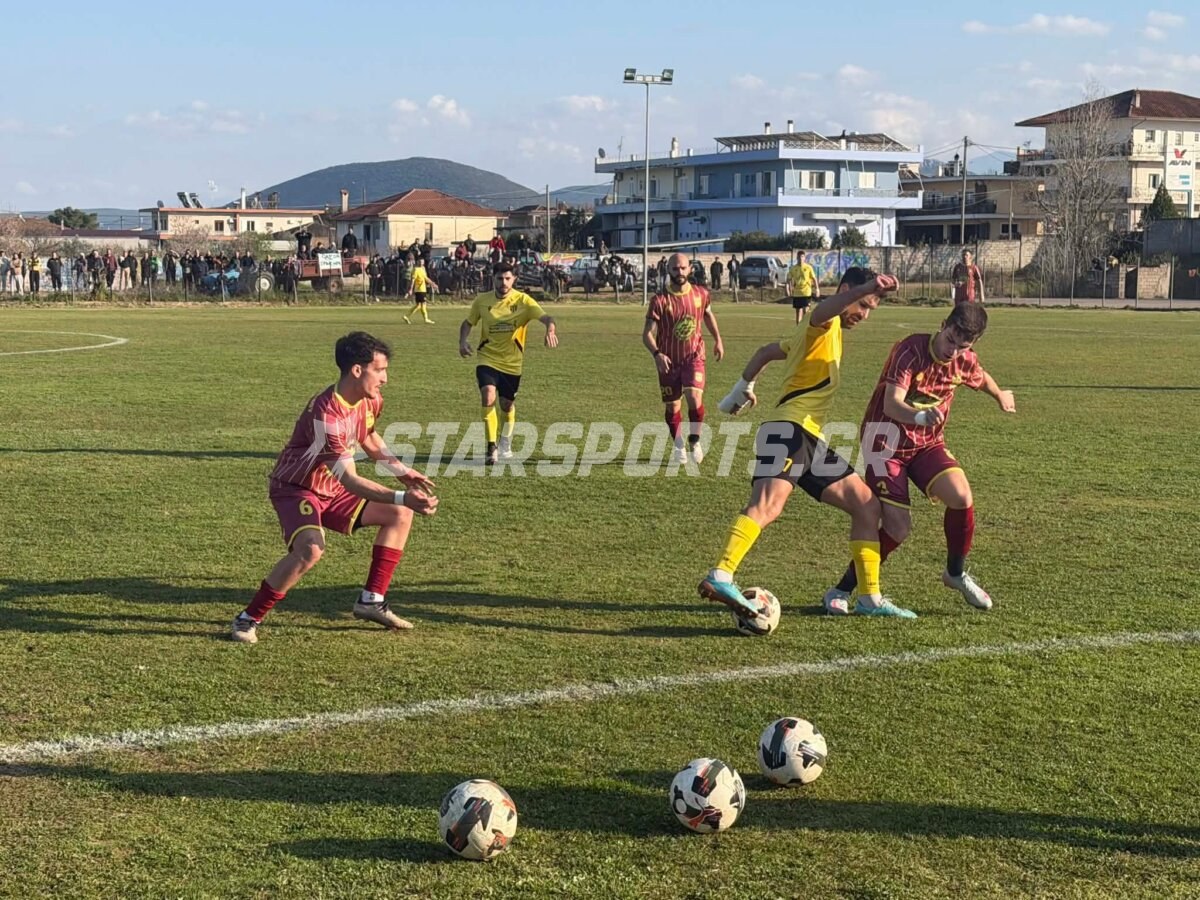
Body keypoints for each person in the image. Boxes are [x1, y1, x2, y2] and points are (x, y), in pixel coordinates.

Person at [697, 267, 916, 621]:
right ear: (846, 291)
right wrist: (868, 286)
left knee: (866, 506)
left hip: (809, 437)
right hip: (789, 431)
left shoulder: (812, 333)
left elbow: (767, 350)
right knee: (768, 505)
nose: (864, 315)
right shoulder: (822, 322)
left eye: (871, 309)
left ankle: (868, 598)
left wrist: (743, 388)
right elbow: (826, 309)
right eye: (863, 305)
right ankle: (721, 573)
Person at [231, 332, 438, 644]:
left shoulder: (369, 400)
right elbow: (352, 480)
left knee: (399, 514)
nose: (385, 378)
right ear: (357, 370)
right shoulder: (327, 415)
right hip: (297, 488)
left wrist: (402, 472)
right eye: (379, 370)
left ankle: (371, 600)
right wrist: (404, 496)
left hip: (331, 486)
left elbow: (368, 436)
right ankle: (248, 618)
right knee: (310, 549)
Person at [822, 304, 1015, 614]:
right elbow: (892, 404)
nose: (953, 351)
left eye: (962, 346)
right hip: (884, 442)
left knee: (961, 496)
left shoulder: (964, 360)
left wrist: (1000, 395)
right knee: (898, 527)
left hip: (926, 444)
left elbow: (980, 376)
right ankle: (843, 588)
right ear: (943, 325)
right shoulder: (910, 350)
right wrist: (921, 416)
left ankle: (954, 573)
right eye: (951, 340)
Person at [458, 261, 558, 465]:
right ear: (492, 279)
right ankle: (491, 446)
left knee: (507, 404)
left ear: (514, 279)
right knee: (488, 395)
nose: (503, 282)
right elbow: (468, 323)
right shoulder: (482, 301)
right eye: (499, 278)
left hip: (512, 363)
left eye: (507, 278)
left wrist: (550, 329)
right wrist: (462, 341)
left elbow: (547, 317)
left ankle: (505, 442)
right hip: (487, 358)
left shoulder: (523, 301)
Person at [642, 252, 725, 464]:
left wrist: (718, 339)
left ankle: (695, 441)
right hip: (668, 361)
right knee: (673, 407)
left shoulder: (701, 294)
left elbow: (708, 315)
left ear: (690, 269)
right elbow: (647, 334)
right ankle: (678, 445)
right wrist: (657, 354)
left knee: (695, 398)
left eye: (683, 268)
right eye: (675, 269)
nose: (679, 272)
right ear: (668, 270)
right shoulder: (659, 300)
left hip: (693, 356)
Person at [786, 251, 820, 325]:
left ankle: (805, 329)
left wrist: (817, 289)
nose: (800, 258)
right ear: (797, 258)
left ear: (804, 258)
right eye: (799, 257)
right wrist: (788, 289)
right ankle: (798, 330)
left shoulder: (808, 267)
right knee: (798, 312)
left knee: (806, 311)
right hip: (797, 293)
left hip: (806, 292)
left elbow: (814, 278)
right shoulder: (793, 268)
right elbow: (788, 279)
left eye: (802, 257)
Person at [404, 257, 437, 323]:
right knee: (423, 304)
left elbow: (426, 278)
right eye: (420, 262)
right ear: (418, 262)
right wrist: (410, 289)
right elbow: (413, 280)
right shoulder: (416, 269)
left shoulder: (423, 269)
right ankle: (426, 319)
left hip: (423, 289)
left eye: (422, 262)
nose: (422, 263)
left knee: (418, 305)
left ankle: (406, 316)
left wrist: (432, 284)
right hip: (419, 290)